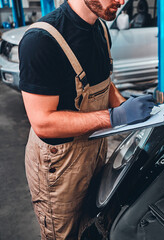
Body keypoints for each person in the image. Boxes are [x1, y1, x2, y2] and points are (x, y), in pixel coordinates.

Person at [18, 0, 155, 239]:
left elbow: (102, 82)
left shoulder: (100, 29)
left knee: (91, 225)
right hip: (59, 163)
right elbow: (42, 121)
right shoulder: (41, 41)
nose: (122, 2)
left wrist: (122, 104)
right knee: (64, 235)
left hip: (94, 148)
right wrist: (116, 117)